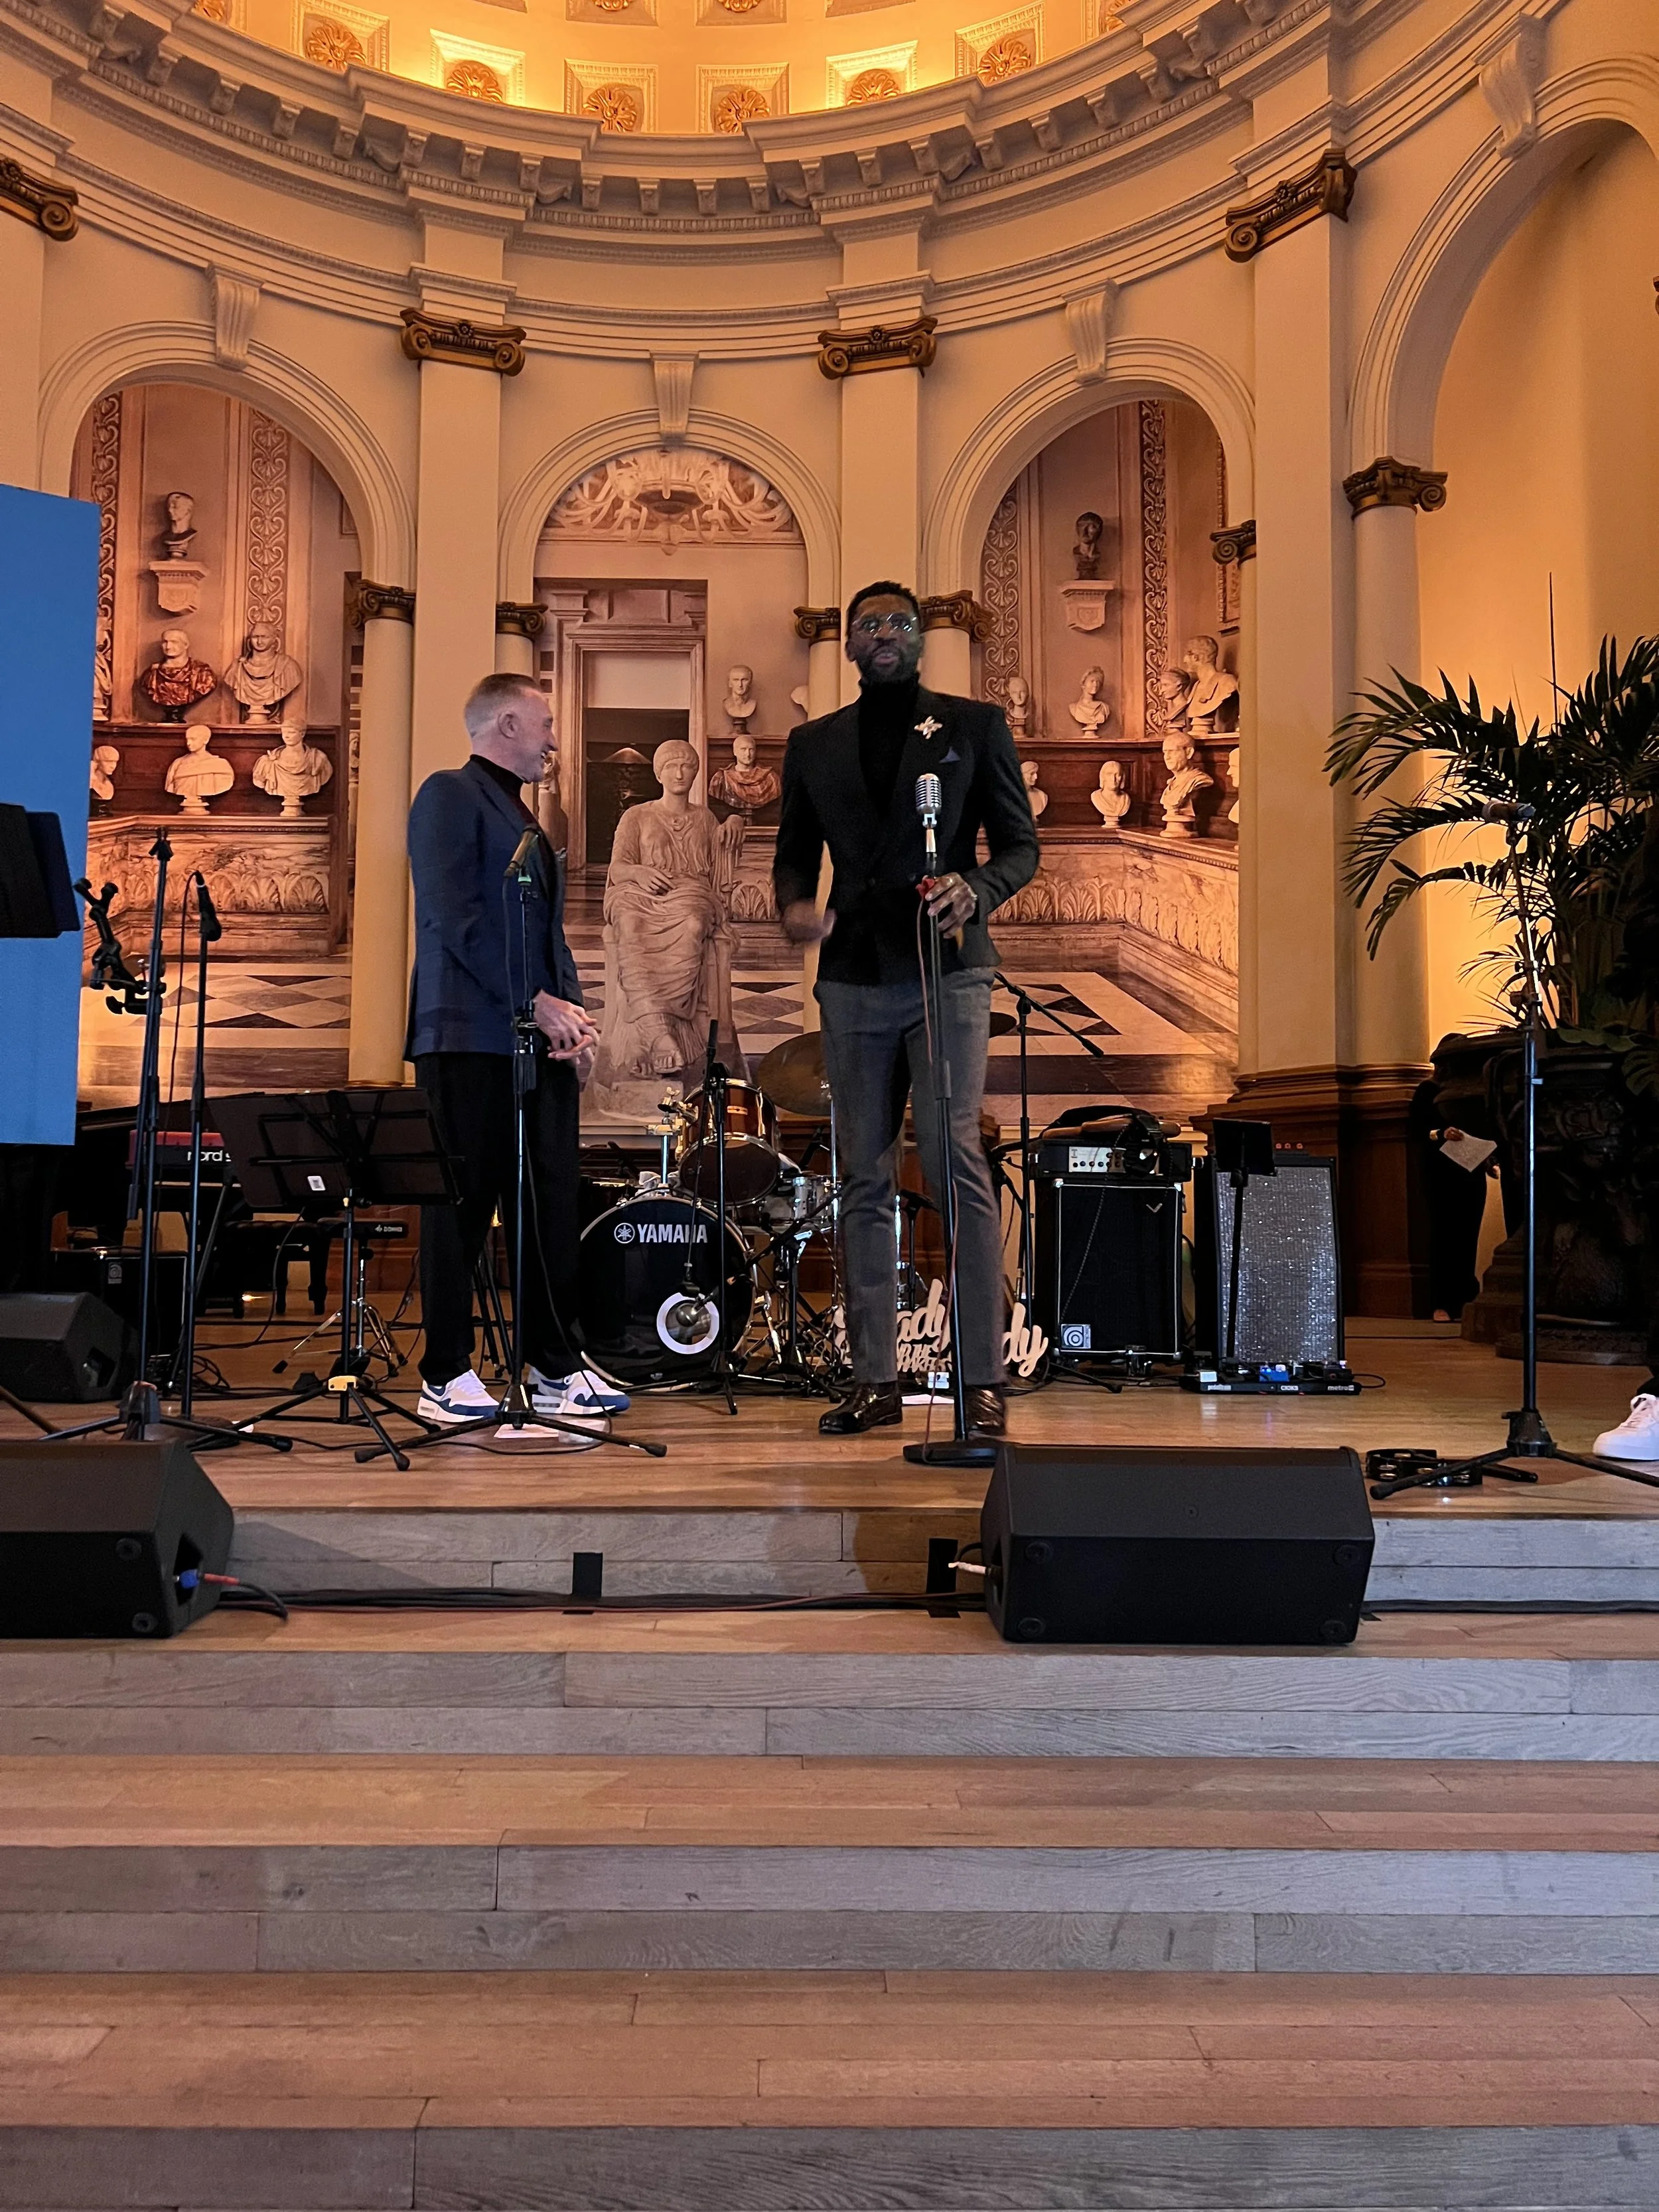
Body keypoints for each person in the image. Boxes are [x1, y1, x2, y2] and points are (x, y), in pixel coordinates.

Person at [773, 581, 1039, 1439]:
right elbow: (792, 857)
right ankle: (874, 1379)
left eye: (899, 622)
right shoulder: (813, 743)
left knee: (956, 1159)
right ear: (848, 645)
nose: (884, 634)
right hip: (853, 975)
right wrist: (793, 908)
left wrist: (976, 886)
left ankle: (981, 1380)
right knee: (863, 1174)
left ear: (921, 639)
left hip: (948, 970)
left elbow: (1021, 847)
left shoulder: (973, 727)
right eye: (868, 625)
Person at [405, 672, 628, 1426]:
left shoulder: (524, 814)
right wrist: (533, 1002)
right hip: (467, 1040)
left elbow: (545, 936)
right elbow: (453, 917)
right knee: (462, 1209)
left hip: (536, 1048)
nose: (554, 740)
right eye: (546, 724)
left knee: (547, 1206)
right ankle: (445, 1376)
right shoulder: (449, 795)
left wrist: (577, 1025)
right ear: (506, 724)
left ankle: (554, 1367)